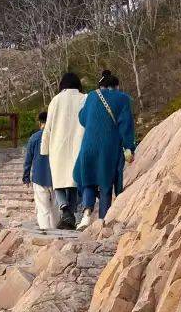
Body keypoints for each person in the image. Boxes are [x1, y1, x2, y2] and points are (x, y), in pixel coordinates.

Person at [74, 69, 136, 229]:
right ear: (116, 86)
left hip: (89, 145)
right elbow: (126, 126)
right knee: (105, 183)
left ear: (101, 86)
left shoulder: (92, 96)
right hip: (109, 147)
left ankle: (86, 214)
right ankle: (103, 220)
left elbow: (82, 119)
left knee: (88, 179)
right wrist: (129, 146)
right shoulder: (123, 99)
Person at [40, 72, 85, 230]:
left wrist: (44, 149)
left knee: (58, 182)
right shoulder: (84, 98)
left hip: (58, 146)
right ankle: (71, 213)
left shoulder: (56, 100)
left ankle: (65, 209)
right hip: (78, 145)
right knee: (73, 182)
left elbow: (48, 127)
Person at [22, 110, 56, 230]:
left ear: (39, 122)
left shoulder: (34, 138)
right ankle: (55, 232)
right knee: (55, 208)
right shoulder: (56, 136)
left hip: (39, 176)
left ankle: (45, 232)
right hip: (56, 177)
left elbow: (28, 159)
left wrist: (26, 177)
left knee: (43, 209)